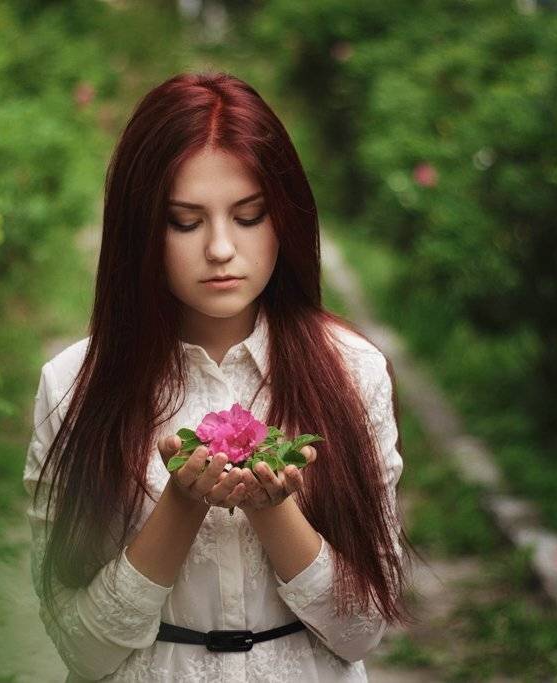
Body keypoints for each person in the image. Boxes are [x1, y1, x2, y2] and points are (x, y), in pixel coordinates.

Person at [23, 71, 412, 682]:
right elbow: (82, 649)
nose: (222, 248)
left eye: (250, 215)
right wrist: (180, 505)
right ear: (140, 232)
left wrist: (271, 508)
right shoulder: (73, 385)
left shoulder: (350, 371)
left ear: (286, 219)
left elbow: (363, 630)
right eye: (185, 221)